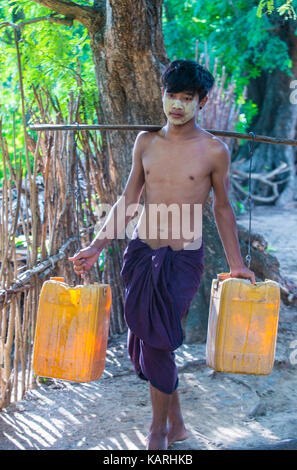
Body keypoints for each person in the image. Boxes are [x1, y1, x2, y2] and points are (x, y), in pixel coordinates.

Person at [69, 59, 256, 450]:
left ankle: (158, 433)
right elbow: (128, 199)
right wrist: (97, 245)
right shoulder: (145, 142)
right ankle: (179, 423)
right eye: (172, 95)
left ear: (202, 102)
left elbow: (222, 208)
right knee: (146, 343)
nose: (177, 105)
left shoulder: (214, 151)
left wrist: (237, 264)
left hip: (183, 260)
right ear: (163, 95)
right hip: (140, 253)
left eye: (187, 98)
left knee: (158, 343)